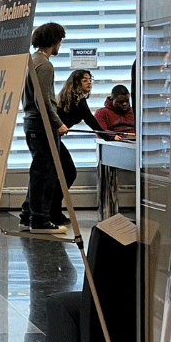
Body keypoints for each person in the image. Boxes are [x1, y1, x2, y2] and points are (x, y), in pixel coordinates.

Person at [18, 22, 69, 236]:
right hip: (42, 125)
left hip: (31, 123)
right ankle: (39, 220)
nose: (60, 46)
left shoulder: (30, 61)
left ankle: (27, 215)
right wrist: (58, 124)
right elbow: (44, 101)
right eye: (60, 41)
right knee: (45, 173)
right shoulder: (45, 65)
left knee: (38, 171)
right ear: (53, 41)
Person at [49, 69, 117, 225]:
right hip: (50, 139)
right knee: (68, 172)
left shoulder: (73, 99)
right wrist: (109, 136)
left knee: (63, 173)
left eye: (90, 79)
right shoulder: (77, 100)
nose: (89, 82)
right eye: (85, 80)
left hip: (52, 139)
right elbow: (91, 121)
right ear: (76, 83)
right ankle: (53, 212)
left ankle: (53, 211)